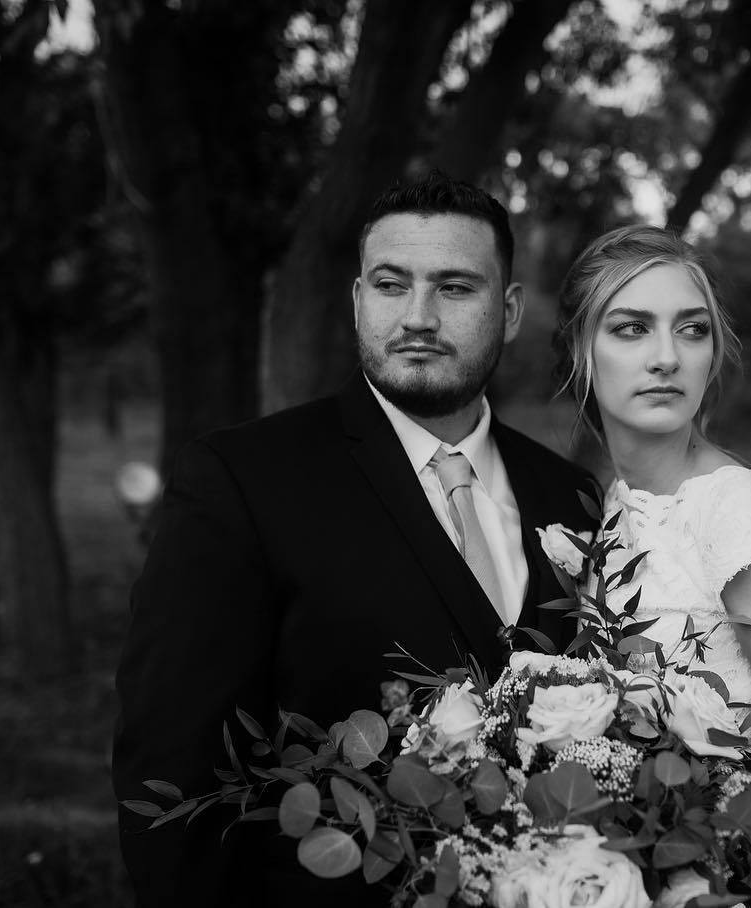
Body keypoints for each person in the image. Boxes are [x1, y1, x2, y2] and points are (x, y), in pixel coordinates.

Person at [112, 172, 594, 907]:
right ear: (358, 298)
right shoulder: (242, 479)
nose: (419, 316)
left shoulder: (571, 496)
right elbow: (172, 758)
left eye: (455, 288)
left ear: (509, 311)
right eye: (391, 285)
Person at [554, 224, 751, 901]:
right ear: (582, 349)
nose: (667, 357)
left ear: (713, 354)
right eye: (632, 329)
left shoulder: (739, 518)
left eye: (692, 331)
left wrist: (713, 884)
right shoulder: (614, 502)